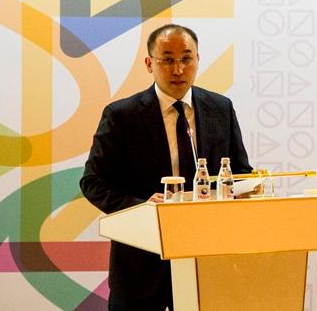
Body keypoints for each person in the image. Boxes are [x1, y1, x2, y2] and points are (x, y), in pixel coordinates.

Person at [80, 24, 252, 310]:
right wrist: (141, 208)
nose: (178, 69)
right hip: (140, 265)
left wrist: (243, 190)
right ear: (149, 64)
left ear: (198, 59)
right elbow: (93, 182)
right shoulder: (122, 115)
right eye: (167, 60)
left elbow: (240, 172)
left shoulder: (220, 108)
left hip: (207, 260)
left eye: (186, 59)